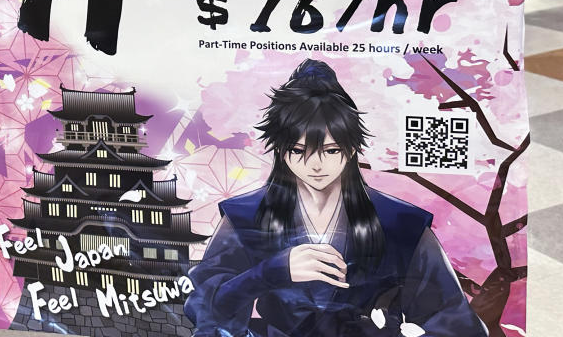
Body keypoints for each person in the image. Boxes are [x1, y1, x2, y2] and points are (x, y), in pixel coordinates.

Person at [184, 59, 487, 337]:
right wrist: (269, 273)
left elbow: (456, 322)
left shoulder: (399, 223)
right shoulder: (246, 215)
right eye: (299, 151)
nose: (315, 165)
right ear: (280, 150)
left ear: (351, 148)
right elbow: (203, 307)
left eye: (330, 150)